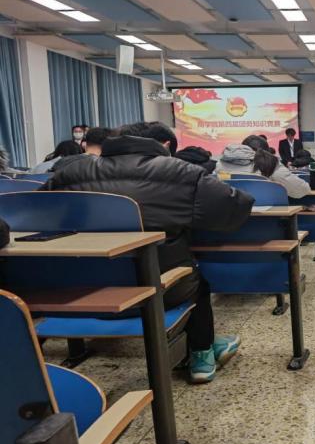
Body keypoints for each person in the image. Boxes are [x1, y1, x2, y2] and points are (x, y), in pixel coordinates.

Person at [45, 122, 253, 383]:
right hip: (159, 289)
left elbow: (39, 217)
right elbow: (235, 208)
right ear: (163, 145)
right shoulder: (182, 172)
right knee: (195, 280)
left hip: (77, 292)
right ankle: (201, 354)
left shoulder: (71, 173)